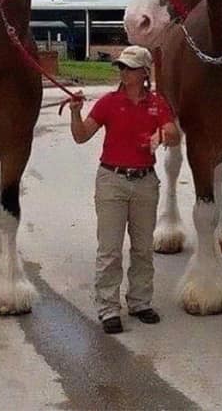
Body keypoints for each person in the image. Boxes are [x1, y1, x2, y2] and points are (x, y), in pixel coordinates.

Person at [69, 45, 180, 334]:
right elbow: (81, 136)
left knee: (143, 249)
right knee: (110, 250)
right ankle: (108, 308)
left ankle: (140, 302)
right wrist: (75, 113)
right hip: (112, 181)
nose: (124, 72)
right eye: (121, 66)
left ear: (145, 72)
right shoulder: (108, 103)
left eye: (130, 67)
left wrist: (162, 133)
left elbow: (174, 134)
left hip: (145, 181)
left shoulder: (157, 103)